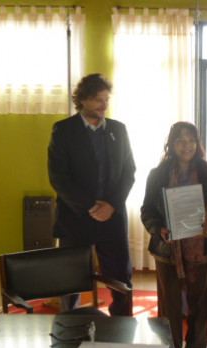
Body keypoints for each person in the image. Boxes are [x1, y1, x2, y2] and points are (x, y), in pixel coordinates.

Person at [48, 73, 136, 316]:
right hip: (75, 218)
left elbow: (129, 171)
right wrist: (91, 207)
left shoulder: (119, 129)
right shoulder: (64, 130)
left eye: (107, 99)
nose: (104, 105)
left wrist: (112, 205)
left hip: (112, 217)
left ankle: (122, 325)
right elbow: (59, 177)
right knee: (71, 279)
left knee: (120, 277)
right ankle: (69, 325)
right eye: (99, 100)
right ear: (83, 100)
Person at [141, 122, 207, 348]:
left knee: (200, 304)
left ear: (198, 143)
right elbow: (146, 210)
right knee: (170, 306)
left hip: (202, 248)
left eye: (192, 140)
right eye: (181, 140)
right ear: (171, 144)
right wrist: (158, 229)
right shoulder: (157, 174)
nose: (187, 146)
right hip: (168, 249)